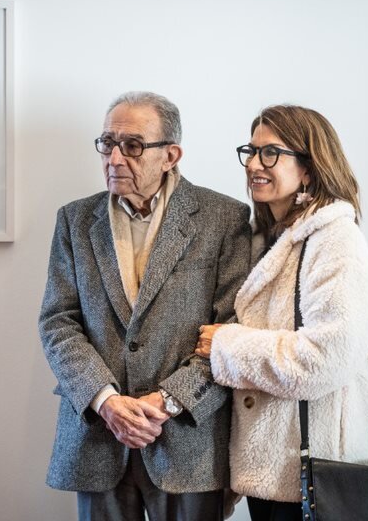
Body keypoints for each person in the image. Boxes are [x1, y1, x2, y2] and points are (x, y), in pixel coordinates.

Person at [39, 91, 251, 521]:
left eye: (132, 145)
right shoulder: (74, 220)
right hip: (98, 437)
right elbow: (59, 321)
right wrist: (105, 401)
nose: (115, 158)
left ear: (170, 155)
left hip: (187, 443)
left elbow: (233, 330)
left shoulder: (224, 219)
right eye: (107, 143)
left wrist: (166, 402)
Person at [195, 105, 368, 521]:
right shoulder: (268, 240)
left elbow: (325, 358)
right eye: (251, 151)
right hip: (275, 472)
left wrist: (226, 346)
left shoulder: (335, 241)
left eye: (271, 153)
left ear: (309, 169)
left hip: (318, 476)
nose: (254, 165)